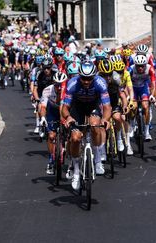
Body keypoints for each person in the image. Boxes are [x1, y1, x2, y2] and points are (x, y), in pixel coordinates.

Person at [62, 61, 112, 190]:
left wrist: (105, 119)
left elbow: (107, 106)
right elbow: (65, 107)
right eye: (83, 78)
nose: (86, 81)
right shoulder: (72, 83)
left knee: (95, 125)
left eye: (89, 78)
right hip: (77, 108)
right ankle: (77, 171)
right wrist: (68, 117)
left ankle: (97, 160)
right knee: (75, 138)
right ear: (79, 76)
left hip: (93, 106)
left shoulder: (100, 83)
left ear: (94, 76)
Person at [40, 72, 67, 175]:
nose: (59, 87)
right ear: (54, 83)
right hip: (52, 112)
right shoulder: (47, 90)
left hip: (64, 110)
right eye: (57, 84)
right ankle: (51, 160)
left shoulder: (68, 90)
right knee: (51, 136)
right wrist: (42, 117)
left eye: (61, 84)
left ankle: (65, 145)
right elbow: (43, 107)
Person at [128, 54, 156, 141]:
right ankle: (132, 125)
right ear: (135, 65)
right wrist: (128, 96)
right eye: (138, 66)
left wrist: (152, 95)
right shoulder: (131, 69)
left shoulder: (150, 68)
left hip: (144, 89)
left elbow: (153, 84)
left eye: (142, 66)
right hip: (133, 89)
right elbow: (126, 83)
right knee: (133, 107)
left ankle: (147, 132)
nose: (140, 68)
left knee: (145, 106)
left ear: (145, 65)